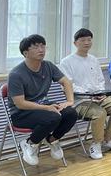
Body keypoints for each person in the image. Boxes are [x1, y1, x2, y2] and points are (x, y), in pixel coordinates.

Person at [7, 34, 78, 167]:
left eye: (43, 46)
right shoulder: (16, 74)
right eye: (36, 47)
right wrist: (47, 108)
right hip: (21, 114)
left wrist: (69, 101)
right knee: (53, 117)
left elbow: (66, 82)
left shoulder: (48, 66)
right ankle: (30, 143)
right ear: (25, 53)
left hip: (43, 108)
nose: (41, 50)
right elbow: (20, 104)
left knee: (71, 113)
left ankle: (52, 139)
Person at [60, 28, 111, 160]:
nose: (86, 42)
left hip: (98, 97)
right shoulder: (66, 62)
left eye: (89, 40)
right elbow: (68, 85)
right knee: (99, 113)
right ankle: (96, 144)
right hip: (79, 101)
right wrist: (89, 94)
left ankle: (108, 139)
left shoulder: (93, 60)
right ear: (75, 43)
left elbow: (100, 80)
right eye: (83, 40)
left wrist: (100, 92)